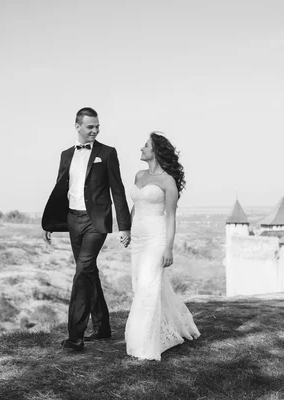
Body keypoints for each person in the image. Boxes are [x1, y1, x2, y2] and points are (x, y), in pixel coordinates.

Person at [41, 107, 131, 351]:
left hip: (96, 222)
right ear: (78, 126)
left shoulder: (107, 153)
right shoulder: (65, 155)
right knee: (89, 272)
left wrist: (124, 226)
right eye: (90, 126)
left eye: (97, 126)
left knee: (82, 273)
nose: (95, 130)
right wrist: (49, 223)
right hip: (73, 220)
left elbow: (118, 189)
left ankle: (75, 338)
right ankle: (102, 328)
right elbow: (60, 190)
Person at [125, 131, 200, 361]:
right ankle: (176, 325)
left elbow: (170, 217)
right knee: (140, 286)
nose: (141, 148)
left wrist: (168, 247)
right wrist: (127, 230)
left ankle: (144, 344)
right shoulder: (138, 175)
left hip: (157, 239)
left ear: (155, 151)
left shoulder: (168, 181)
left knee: (148, 287)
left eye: (145, 145)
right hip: (138, 240)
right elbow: (136, 206)